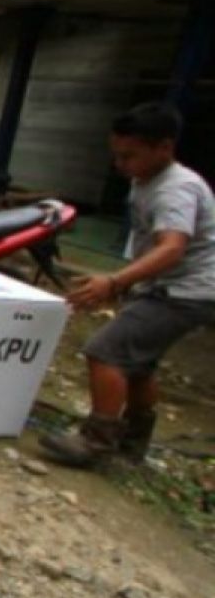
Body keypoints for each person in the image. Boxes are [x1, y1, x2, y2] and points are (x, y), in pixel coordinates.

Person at [41, 102, 215, 467]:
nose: (120, 164)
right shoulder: (147, 180)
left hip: (185, 291)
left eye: (129, 156)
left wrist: (115, 281)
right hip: (178, 288)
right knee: (139, 363)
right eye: (116, 155)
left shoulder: (175, 190)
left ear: (164, 147)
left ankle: (96, 442)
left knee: (105, 350)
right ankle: (132, 443)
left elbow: (172, 247)